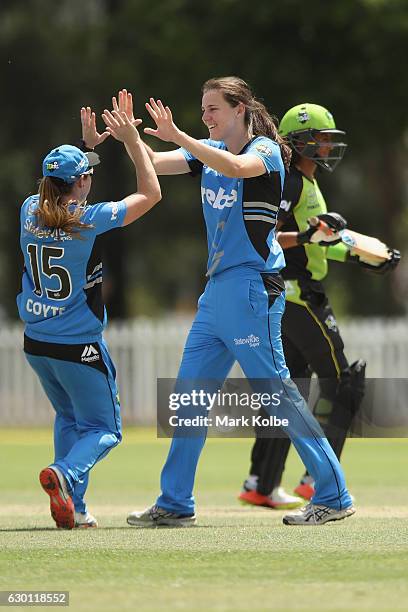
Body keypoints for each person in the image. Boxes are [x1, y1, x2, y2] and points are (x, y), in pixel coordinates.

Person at [121, 79, 355, 527]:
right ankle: (175, 502)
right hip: (216, 293)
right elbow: (153, 162)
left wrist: (183, 137)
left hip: (252, 287)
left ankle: (334, 495)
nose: (206, 116)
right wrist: (131, 138)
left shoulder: (266, 150)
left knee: (278, 394)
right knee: (189, 398)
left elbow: (234, 166)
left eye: (213, 109)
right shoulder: (205, 149)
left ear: (240, 108)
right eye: (203, 109)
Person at [239, 103, 400, 509]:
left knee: (288, 388)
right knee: (344, 383)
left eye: (330, 139)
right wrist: (318, 237)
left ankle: (261, 484)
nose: (328, 146)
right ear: (298, 142)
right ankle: (319, 479)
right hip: (297, 296)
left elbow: (322, 239)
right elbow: (270, 238)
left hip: (289, 299)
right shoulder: (291, 183)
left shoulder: (307, 183)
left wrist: (367, 255)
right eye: (320, 139)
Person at [17, 104, 161, 529]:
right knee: (105, 429)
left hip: (36, 343)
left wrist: (83, 148)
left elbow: (57, 190)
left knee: (69, 419)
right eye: (87, 175)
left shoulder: (29, 209)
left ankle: (74, 508)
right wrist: (133, 142)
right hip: (77, 343)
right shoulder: (89, 219)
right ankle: (64, 474)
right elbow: (151, 194)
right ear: (81, 182)